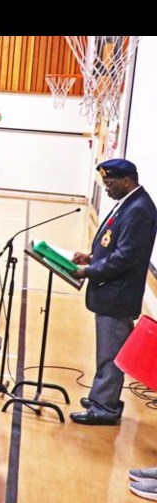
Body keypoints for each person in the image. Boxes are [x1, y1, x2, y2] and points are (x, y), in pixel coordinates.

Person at [69, 159, 157, 428]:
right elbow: (114, 245)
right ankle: (101, 397)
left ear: (127, 181)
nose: (106, 189)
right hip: (111, 290)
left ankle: (104, 408)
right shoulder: (130, 202)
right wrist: (92, 256)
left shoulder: (139, 209)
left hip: (118, 294)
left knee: (111, 353)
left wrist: (89, 271)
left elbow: (125, 257)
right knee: (106, 350)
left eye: (109, 183)